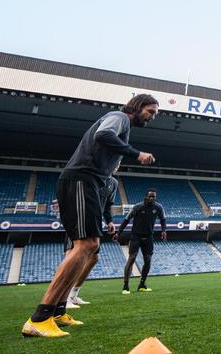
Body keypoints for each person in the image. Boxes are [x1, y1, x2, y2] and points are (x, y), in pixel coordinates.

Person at [21, 94, 158, 338]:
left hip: (88, 183)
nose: (152, 117)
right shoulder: (120, 117)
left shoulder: (124, 126)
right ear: (137, 107)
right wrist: (136, 154)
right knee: (86, 245)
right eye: (151, 111)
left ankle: (57, 312)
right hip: (81, 179)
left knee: (89, 247)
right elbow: (103, 135)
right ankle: (39, 318)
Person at [65, 173, 119, 309]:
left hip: (95, 222)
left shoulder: (113, 183)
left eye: (118, 163)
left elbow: (107, 205)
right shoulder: (91, 175)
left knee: (94, 258)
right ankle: (63, 299)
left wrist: (109, 221)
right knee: (72, 256)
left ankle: (73, 295)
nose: (116, 164)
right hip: (78, 218)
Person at [115, 188, 167, 293]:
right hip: (136, 236)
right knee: (132, 258)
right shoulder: (138, 207)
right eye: (150, 196)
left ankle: (142, 285)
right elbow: (126, 219)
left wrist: (163, 230)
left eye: (153, 197)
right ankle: (125, 286)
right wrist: (118, 233)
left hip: (149, 237)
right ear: (146, 196)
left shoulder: (158, 207)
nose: (152, 198)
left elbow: (163, 219)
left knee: (148, 261)